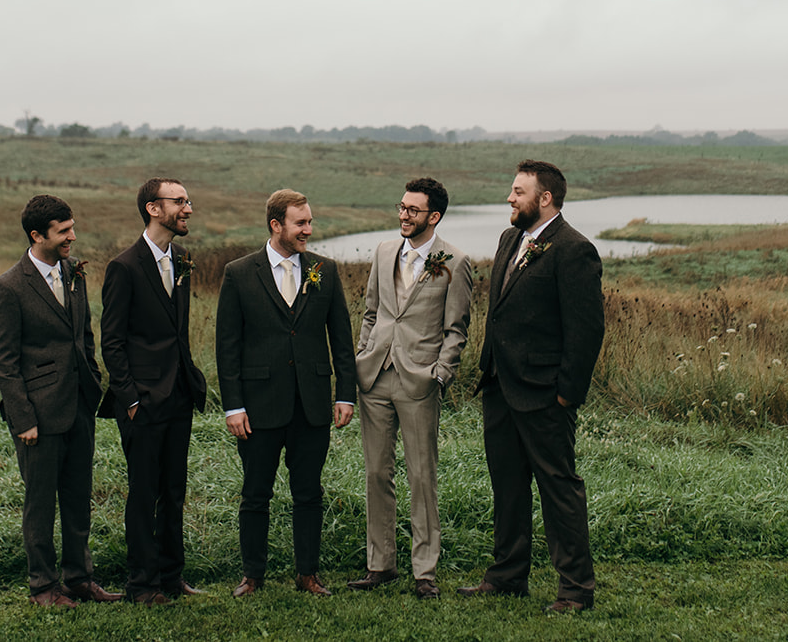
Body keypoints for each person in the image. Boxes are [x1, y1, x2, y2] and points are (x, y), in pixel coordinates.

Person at [459, 160, 604, 614]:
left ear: (545, 198)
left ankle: (575, 590)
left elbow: (586, 330)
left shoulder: (573, 249)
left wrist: (567, 393)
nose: (509, 197)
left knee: (559, 488)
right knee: (507, 486)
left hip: (545, 392)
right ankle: (506, 577)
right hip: (501, 385)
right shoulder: (509, 239)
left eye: (518, 191)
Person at [215, 189, 355, 597]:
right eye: (301, 223)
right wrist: (233, 406)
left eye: (310, 222)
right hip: (257, 407)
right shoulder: (239, 273)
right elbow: (228, 346)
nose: (308, 230)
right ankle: (252, 575)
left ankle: (307, 574)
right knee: (255, 493)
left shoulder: (324, 271)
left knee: (309, 492)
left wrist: (345, 395)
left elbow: (342, 340)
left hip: (311, 405)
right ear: (276, 225)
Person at [0, 194, 122, 608]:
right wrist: (23, 418)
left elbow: (83, 336)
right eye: (63, 232)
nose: (72, 238)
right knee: (41, 504)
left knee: (79, 498)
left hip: (79, 407)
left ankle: (80, 579)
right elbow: (3, 363)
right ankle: (43, 587)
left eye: (72, 228)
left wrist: (92, 383)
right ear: (36, 235)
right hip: (38, 419)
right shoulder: (8, 287)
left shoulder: (74, 274)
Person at [348, 177, 472, 599]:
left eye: (412, 210)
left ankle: (425, 572)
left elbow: (456, 329)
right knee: (376, 472)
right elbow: (371, 311)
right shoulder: (383, 253)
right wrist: (362, 353)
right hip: (375, 376)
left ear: (433, 216)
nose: (403, 215)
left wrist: (440, 373)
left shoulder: (454, 260)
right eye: (401, 207)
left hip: (419, 379)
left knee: (422, 476)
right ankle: (380, 564)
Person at [99, 178, 210, 605]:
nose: (188, 208)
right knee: (144, 494)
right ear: (153, 208)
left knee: (174, 491)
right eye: (179, 201)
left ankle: (170, 577)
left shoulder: (181, 259)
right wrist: (129, 399)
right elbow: (112, 341)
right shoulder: (124, 267)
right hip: (141, 402)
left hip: (178, 395)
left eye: (187, 201)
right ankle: (141, 584)